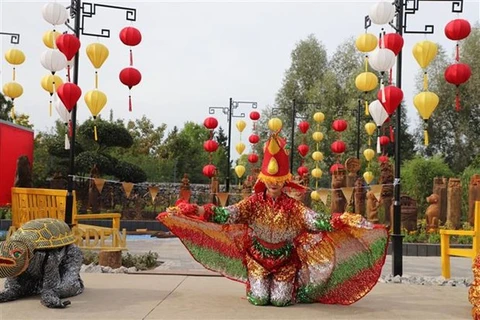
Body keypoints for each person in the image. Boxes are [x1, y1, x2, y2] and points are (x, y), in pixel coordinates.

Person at [157, 120, 388, 307]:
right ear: (264, 181)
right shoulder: (253, 203)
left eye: (278, 181)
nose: (274, 185)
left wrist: (342, 219)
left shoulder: (294, 207)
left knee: (280, 301)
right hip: (257, 258)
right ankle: (256, 283)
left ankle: (290, 284)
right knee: (259, 300)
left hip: (285, 261)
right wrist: (196, 209)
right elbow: (227, 213)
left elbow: (314, 219)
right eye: (270, 181)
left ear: (284, 181)